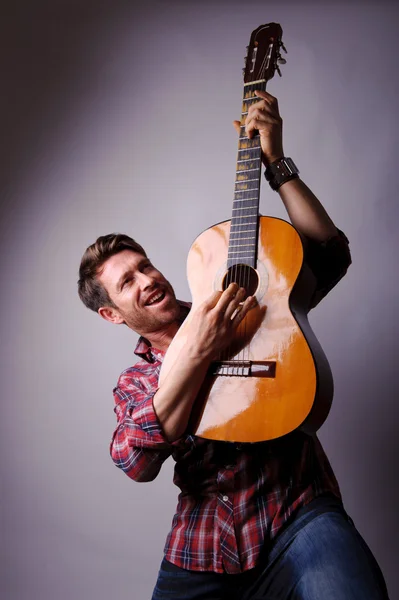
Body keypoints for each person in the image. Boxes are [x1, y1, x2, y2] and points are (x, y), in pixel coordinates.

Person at [78, 91, 389, 599]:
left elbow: (330, 256)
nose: (146, 280)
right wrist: (197, 347)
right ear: (112, 314)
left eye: (144, 266)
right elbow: (135, 460)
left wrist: (277, 163)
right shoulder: (136, 382)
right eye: (126, 283)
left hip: (299, 512)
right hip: (203, 544)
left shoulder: (242, 301)